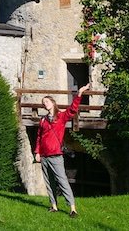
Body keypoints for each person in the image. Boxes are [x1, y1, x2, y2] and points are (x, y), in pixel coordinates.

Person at [35, 82, 90, 218]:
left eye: (47, 101)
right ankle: (54, 206)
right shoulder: (42, 120)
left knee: (62, 181)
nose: (45, 104)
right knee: (49, 182)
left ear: (53, 103)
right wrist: (37, 152)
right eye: (43, 102)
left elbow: (72, 110)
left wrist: (79, 94)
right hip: (44, 156)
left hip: (56, 156)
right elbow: (39, 137)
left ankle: (72, 208)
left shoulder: (61, 117)